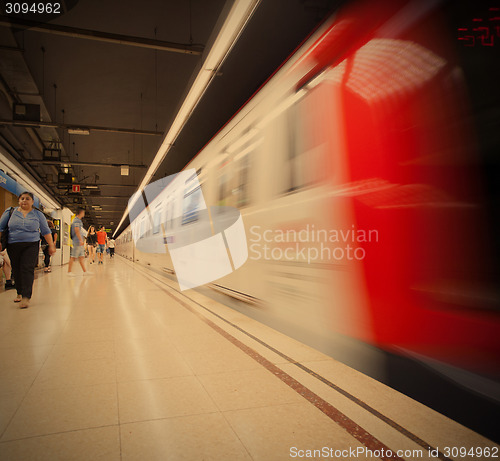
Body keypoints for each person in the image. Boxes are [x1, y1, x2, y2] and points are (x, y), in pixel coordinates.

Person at [0, 191, 55, 308]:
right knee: (16, 268)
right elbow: (1, 228)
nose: (24, 201)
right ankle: (19, 292)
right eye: (22, 198)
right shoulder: (10, 212)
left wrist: (51, 245)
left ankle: (26, 296)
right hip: (13, 244)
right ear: (19, 200)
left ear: (32, 202)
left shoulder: (38, 214)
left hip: (31, 244)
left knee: (27, 268)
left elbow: (46, 231)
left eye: (27, 199)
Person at [67, 207, 92, 276]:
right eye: (83, 212)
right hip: (77, 241)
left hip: (79, 241)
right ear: (80, 212)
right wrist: (81, 240)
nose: (84, 214)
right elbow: (77, 230)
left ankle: (85, 271)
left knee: (81, 257)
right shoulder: (77, 220)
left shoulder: (78, 220)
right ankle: (69, 272)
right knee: (73, 256)